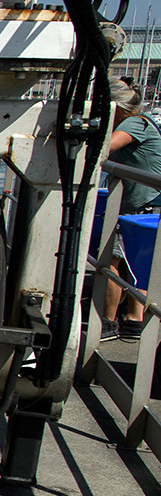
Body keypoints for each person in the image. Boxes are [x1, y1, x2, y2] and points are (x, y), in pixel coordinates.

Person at [100, 76, 157, 340]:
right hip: (148, 203)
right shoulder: (140, 121)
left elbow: (106, 147)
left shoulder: (135, 122)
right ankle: (134, 322)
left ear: (118, 108)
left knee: (111, 261)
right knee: (138, 263)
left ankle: (108, 323)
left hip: (143, 205)